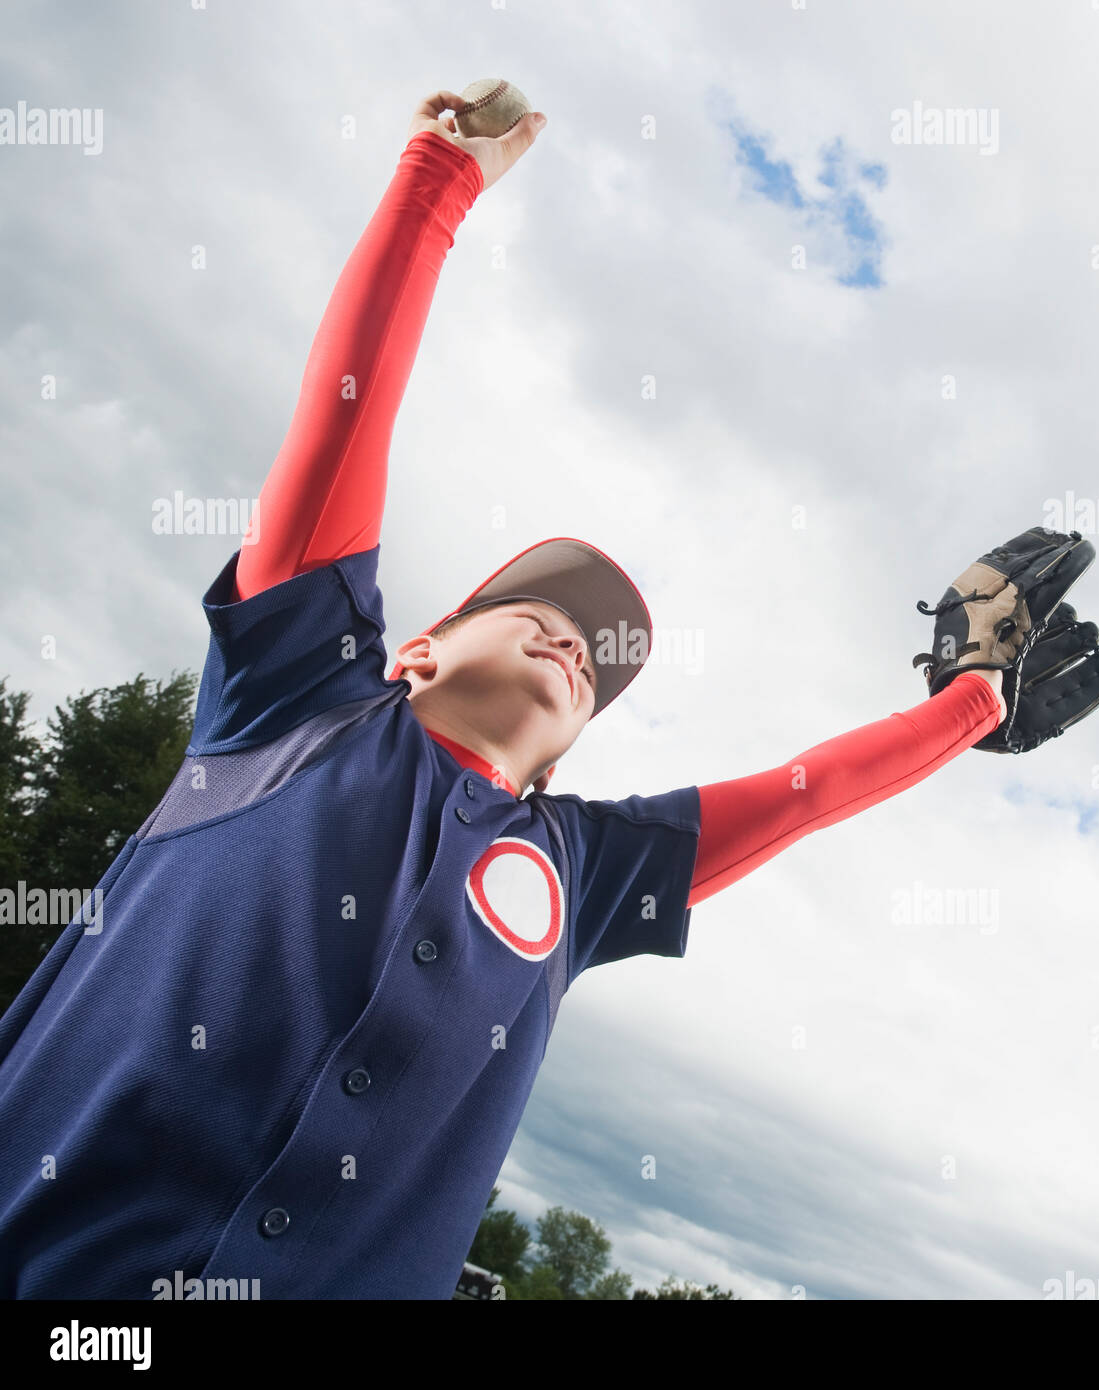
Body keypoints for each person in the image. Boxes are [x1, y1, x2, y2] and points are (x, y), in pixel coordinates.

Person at [0, 89, 1004, 1300]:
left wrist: (972, 705)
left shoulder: (582, 870)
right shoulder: (296, 698)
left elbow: (799, 797)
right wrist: (438, 178)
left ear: (568, 749)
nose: (580, 642)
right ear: (416, 648)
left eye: (600, 656)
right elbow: (341, 421)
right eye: (546, 612)